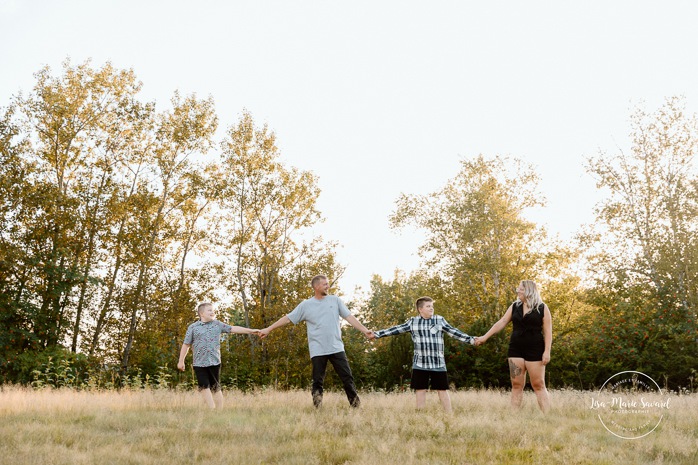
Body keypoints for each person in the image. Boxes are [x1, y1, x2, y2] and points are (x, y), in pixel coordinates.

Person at [259, 275, 372, 408]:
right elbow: (288, 318)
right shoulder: (306, 305)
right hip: (318, 349)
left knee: (347, 378)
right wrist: (269, 329)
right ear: (316, 286)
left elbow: (349, 317)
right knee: (317, 382)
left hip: (336, 347)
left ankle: (356, 407)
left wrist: (365, 331)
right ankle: (317, 410)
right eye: (325, 284)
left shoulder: (335, 300)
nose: (328, 286)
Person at [368, 296, 477, 413]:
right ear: (420, 309)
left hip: (438, 363)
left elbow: (454, 332)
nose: (431, 308)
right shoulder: (412, 322)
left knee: (442, 390)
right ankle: (420, 416)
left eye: (432, 306)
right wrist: (376, 334)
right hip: (420, 363)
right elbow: (396, 329)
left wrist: (472, 340)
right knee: (420, 390)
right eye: (428, 306)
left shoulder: (439, 320)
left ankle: (449, 415)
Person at [476, 280, 552, 413]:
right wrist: (484, 337)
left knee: (538, 385)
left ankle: (548, 415)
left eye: (520, 289)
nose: (518, 291)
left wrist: (547, 352)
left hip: (535, 350)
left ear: (528, 291)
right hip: (515, 349)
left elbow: (548, 332)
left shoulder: (542, 308)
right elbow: (502, 322)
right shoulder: (514, 306)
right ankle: (513, 415)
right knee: (516, 385)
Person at [178, 302, 260, 409]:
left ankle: (220, 411)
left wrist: (252, 331)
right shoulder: (193, 327)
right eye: (209, 310)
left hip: (214, 361)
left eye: (213, 310)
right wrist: (181, 361)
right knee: (203, 386)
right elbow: (186, 344)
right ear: (201, 313)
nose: (213, 312)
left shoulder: (217, 324)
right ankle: (211, 409)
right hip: (199, 362)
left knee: (215, 387)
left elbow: (233, 328)